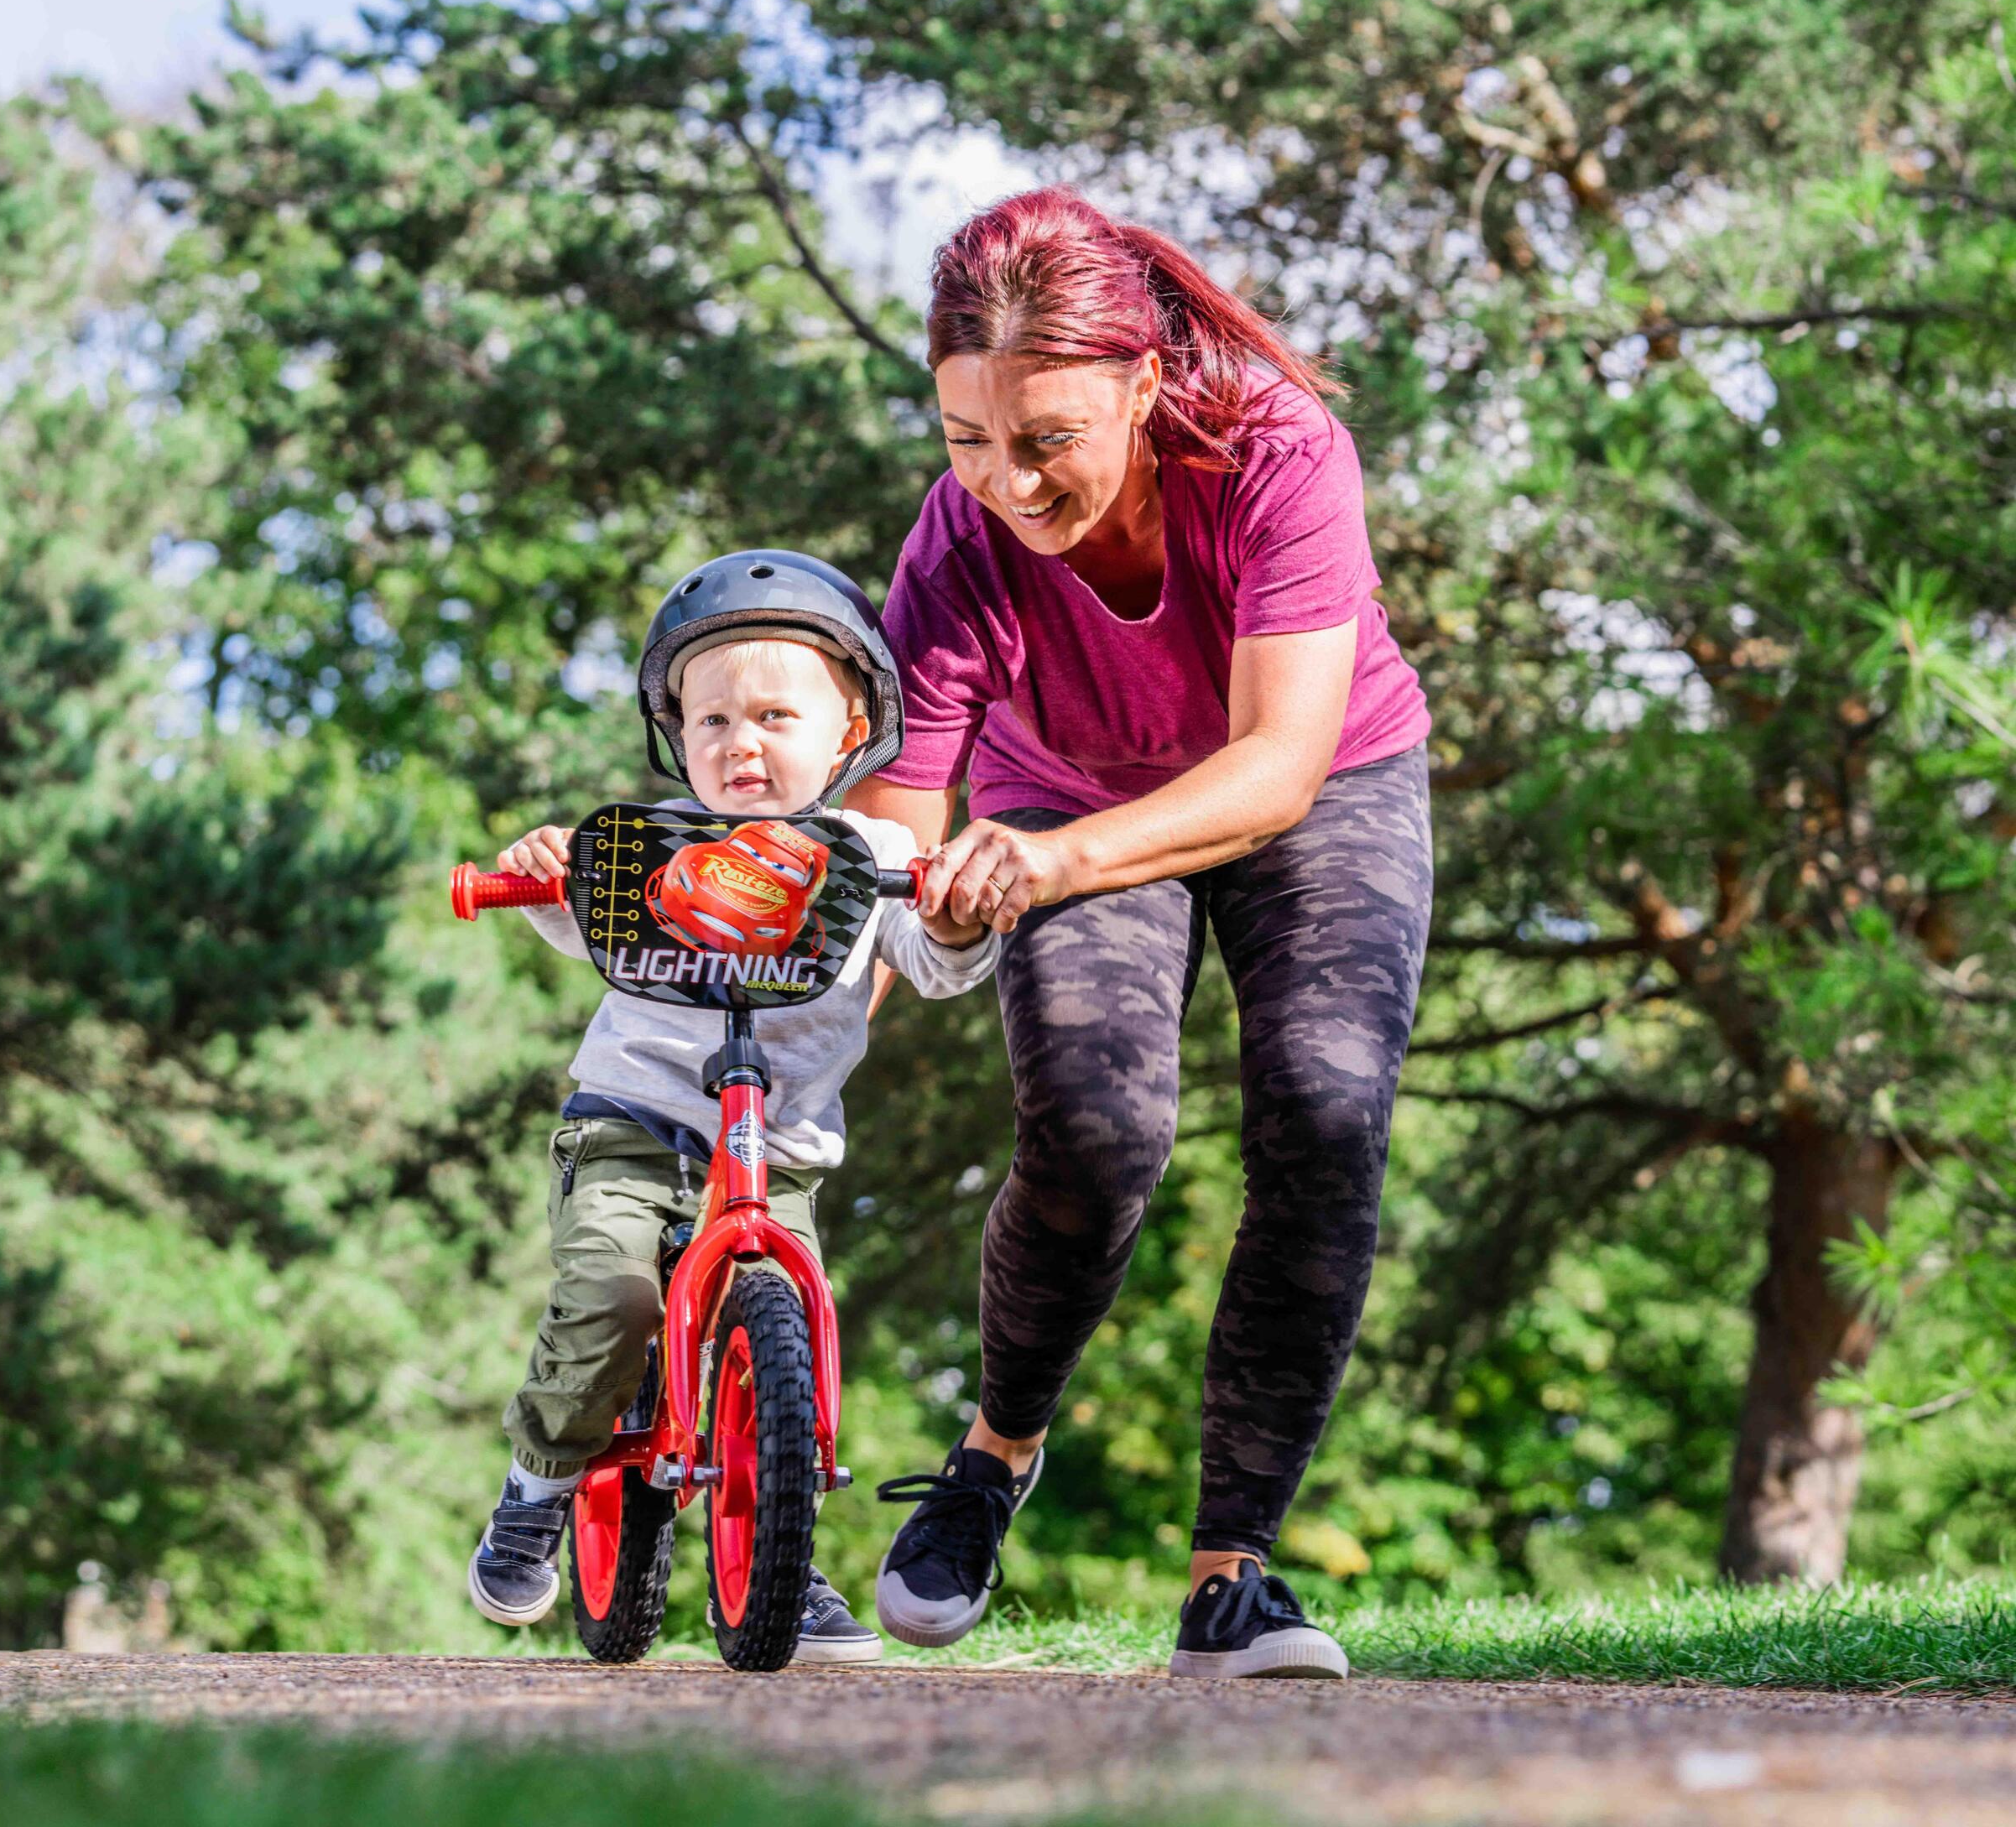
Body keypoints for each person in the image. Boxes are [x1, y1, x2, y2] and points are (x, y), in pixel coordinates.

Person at [853, 189, 1434, 1680]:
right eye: (967, 440)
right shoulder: (958, 547)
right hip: (1064, 797)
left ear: (1143, 383)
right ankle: (993, 1457)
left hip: (1313, 778)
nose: (1008, 485)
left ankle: (1233, 1576)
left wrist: (1046, 867)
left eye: (1045, 439)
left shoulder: (1278, 450)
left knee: (1324, 1100)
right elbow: (899, 831)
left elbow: (1277, 766)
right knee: (1101, 1126)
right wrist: (810, 1009)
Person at [467, 549, 999, 1663]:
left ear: (851, 729)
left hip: (778, 1149)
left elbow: (936, 960)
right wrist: (548, 873)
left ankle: (785, 1563)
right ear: (678, 738)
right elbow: (585, 921)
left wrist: (949, 916)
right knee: (611, 1293)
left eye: (772, 715)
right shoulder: (660, 846)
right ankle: (537, 1486)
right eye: (710, 722)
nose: (740, 741)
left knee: (788, 1332)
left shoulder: (871, 856)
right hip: (635, 1119)